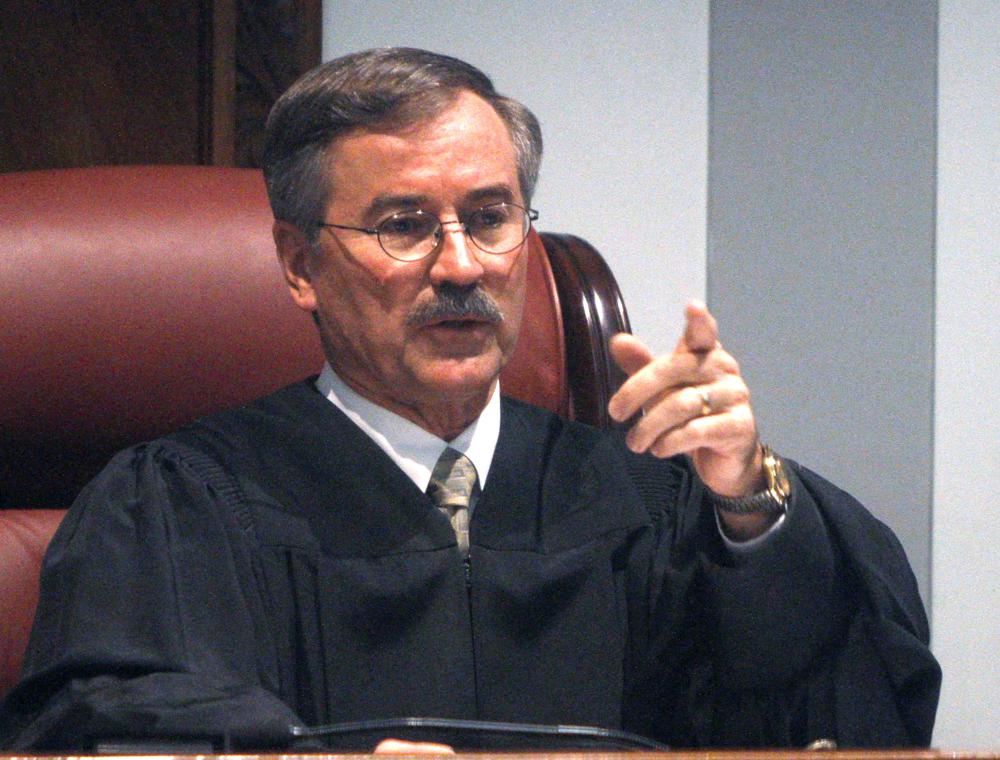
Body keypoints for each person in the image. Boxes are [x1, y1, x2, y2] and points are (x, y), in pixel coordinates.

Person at [0, 47, 939, 751]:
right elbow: (113, 718)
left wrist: (747, 501)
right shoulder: (178, 504)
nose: (460, 267)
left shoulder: (651, 499)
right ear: (299, 266)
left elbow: (828, 705)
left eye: (490, 218)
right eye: (403, 225)